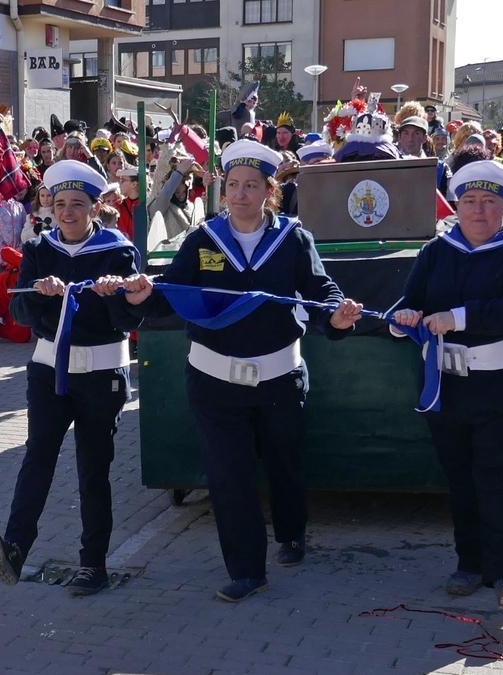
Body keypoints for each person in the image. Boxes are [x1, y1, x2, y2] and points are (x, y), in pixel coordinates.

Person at [121, 141, 364, 602]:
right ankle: (247, 570)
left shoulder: (293, 238)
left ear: (270, 191)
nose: (240, 194)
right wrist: (139, 296)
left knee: (283, 465)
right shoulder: (204, 239)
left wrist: (336, 314)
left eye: (251, 186)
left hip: (279, 379)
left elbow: (320, 288)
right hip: (215, 384)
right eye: (233, 185)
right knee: (228, 476)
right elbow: (172, 292)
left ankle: (291, 534)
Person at [390, 160, 503, 611]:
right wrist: (402, 319)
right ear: (456, 205)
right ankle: (470, 563)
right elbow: (412, 301)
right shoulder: (437, 250)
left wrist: (458, 318)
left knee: (500, 480)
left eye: (488, 202)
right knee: (461, 480)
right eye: (468, 202)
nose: (478, 211)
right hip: (448, 388)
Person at [0, 160, 141, 597]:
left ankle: (93, 564)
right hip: (49, 370)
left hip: (101, 371)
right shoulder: (38, 250)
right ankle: (14, 548)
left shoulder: (118, 250)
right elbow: (19, 312)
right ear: (50, 205)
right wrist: (39, 294)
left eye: (78, 204)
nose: (67, 212)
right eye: (61, 203)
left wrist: (116, 294)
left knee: (93, 468)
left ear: (94, 207)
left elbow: (129, 319)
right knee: (38, 457)